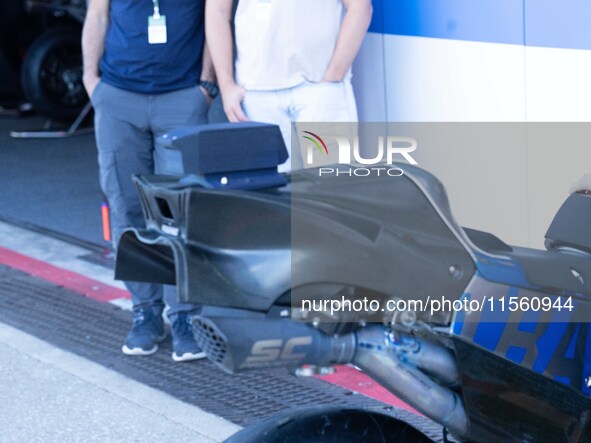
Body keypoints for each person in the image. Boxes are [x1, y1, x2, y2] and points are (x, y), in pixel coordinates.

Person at [82, 0, 218, 361]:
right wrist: (90, 81)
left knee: (180, 212)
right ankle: (145, 311)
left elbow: (213, 16)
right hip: (118, 96)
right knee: (127, 207)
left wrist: (206, 84)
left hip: (181, 97)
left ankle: (186, 316)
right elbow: (97, 14)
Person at [206, 0, 372, 172]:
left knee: (332, 189)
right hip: (257, 92)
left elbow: (360, 7)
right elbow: (217, 11)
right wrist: (226, 86)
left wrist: (334, 76)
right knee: (269, 193)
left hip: (319, 89)